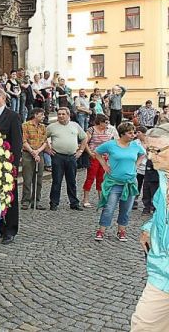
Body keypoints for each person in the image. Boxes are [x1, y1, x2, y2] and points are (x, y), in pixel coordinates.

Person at [131, 125, 169, 330]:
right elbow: (161, 211)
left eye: (157, 150)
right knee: (143, 324)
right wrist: (148, 227)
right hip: (162, 270)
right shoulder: (163, 177)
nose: (151, 157)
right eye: (149, 151)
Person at [93, 122, 145, 241]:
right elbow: (97, 152)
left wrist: (136, 165)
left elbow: (143, 154)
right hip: (114, 182)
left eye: (134, 132)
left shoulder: (135, 145)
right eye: (130, 133)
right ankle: (101, 230)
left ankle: (121, 231)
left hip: (130, 182)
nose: (133, 135)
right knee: (109, 208)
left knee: (126, 209)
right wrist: (104, 165)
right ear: (122, 134)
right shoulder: (111, 145)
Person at [0, 87, 22, 244]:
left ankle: (11, 229)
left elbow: (17, 143)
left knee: (10, 198)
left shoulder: (13, 117)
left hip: (6, 165)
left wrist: (12, 167)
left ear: (3, 98)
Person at [46, 107, 88, 211]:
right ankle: (54, 203)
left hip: (72, 157)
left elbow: (84, 137)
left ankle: (74, 203)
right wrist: (48, 149)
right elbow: (43, 138)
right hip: (57, 156)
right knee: (56, 181)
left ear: (68, 115)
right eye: (59, 114)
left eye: (63, 114)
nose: (60, 116)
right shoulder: (52, 127)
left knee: (72, 181)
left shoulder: (75, 125)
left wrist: (81, 151)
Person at [81, 114, 116, 207]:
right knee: (90, 177)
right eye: (106, 123)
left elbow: (111, 143)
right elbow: (85, 142)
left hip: (104, 158)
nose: (107, 125)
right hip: (94, 157)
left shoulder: (108, 131)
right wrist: (90, 153)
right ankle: (86, 199)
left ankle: (101, 199)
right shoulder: (91, 130)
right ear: (100, 123)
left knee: (102, 178)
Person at [21, 108, 48, 210]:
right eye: (41, 115)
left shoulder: (42, 127)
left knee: (39, 179)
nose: (43, 117)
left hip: (39, 153)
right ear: (35, 115)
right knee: (27, 178)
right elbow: (24, 140)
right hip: (28, 154)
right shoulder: (25, 125)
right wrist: (33, 152)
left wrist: (38, 151)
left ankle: (36, 200)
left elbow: (45, 141)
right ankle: (25, 201)